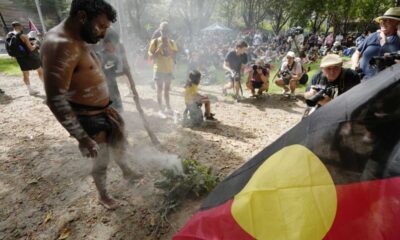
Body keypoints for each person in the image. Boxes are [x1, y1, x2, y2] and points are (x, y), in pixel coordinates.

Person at [41, 0, 142, 210]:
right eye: (102, 26)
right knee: (101, 158)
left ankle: (126, 170)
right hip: (88, 117)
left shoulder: (81, 35)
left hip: (105, 110)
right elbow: (55, 98)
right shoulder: (59, 44)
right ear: (82, 16)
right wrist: (83, 137)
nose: (104, 33)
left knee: (118, 143)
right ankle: (104, 196)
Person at [351, 7, 400, 80]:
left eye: (388, 21)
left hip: (385, 85)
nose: (383, 23)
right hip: (362, 81)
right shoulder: (373, 36)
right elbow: (357, 53)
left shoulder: (398, 39)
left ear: (397, 24)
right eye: (382, 20)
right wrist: (354, 63)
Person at [148, 22, 178, 118]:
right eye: (163, 31)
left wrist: (168, 46)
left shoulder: (172, 42)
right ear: (159, 31)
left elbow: (174, 57)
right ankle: (160, 109)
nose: (165, 33)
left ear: (169, 32)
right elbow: (151, 57)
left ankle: (168, 108)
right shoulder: (155, 42)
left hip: (169, 69)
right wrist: (159, 48)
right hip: (158, 69)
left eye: (166, 31)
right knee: (159, 90)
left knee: (167, 90)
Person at [7, 21, 43, 95]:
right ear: (19, 27)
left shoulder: (9, 35)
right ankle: (46, 87)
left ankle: (30, 90)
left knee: (25, 74)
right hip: (30, 57)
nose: (22, 27)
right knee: (40, 70)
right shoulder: (23, 36)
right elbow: (31, 48)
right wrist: (36, 44)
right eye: (21, 26)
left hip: (20, 58)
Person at [97, 29, 124, 112]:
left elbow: (116, 72)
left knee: (117, 108)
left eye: (115, 44)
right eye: (112, 44)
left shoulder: (114, 57)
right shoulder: (99, 56)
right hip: (103, 88)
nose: (115, 47)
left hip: (113, 86)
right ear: (105, 44)